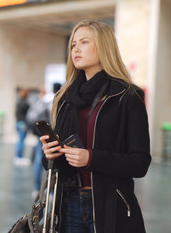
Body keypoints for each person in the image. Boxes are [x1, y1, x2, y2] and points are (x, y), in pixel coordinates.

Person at [40, 19, 151, 233]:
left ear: (103, 46)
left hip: (111, 203)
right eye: (73, 44)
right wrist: (50, 154)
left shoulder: (127, 96)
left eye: (84, 42)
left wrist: (91, 158)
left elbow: (140, 162)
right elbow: (55, 164)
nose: (76, 49)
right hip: (68, 202)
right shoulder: (65, 98)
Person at [14, 88, 31, 166]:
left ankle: (18, 156)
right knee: (21, 141)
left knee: (20, 140)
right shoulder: (26, 104)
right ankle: (19, 157)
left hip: (18, 122)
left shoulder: (18, 102)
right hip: (23, 123)